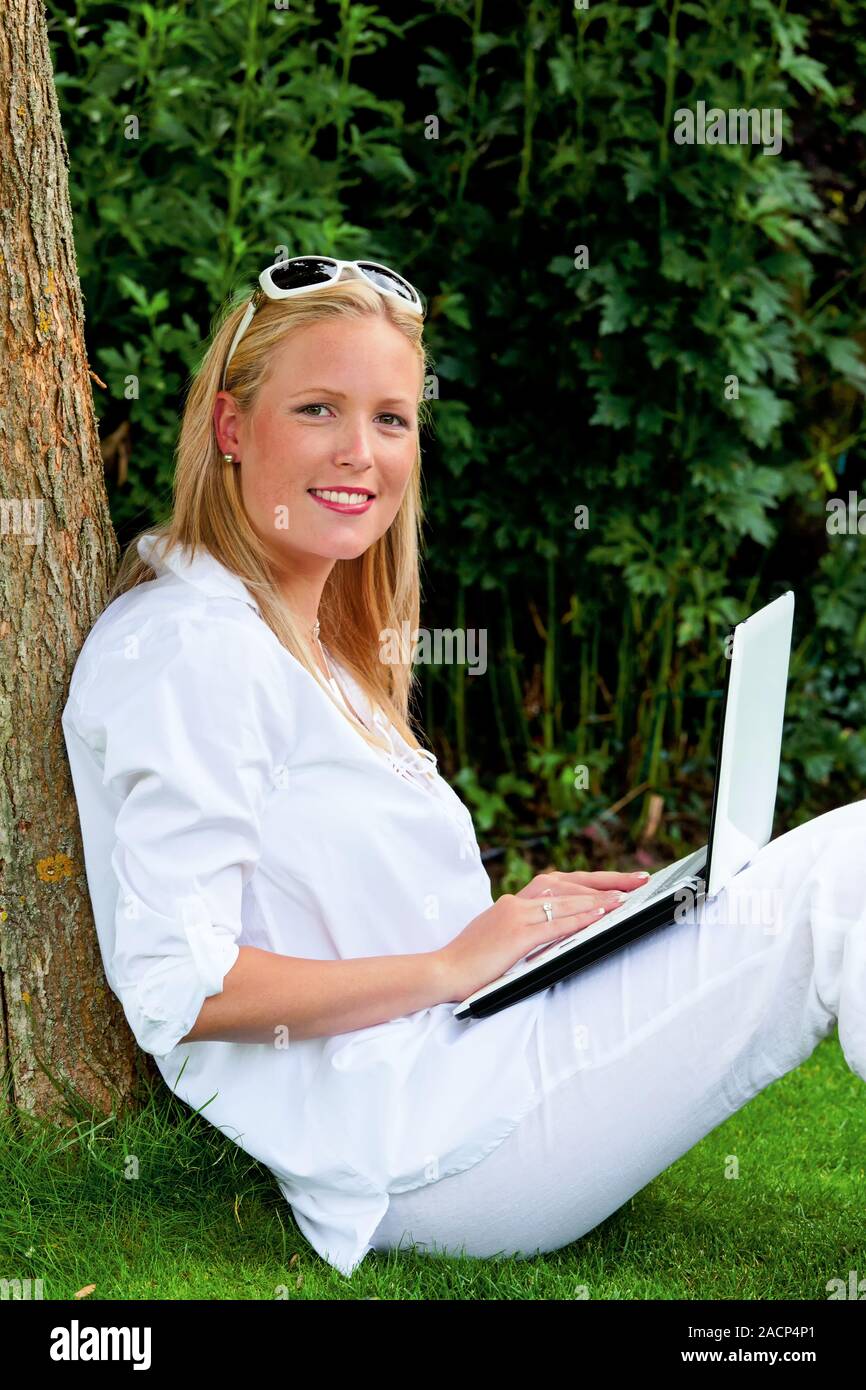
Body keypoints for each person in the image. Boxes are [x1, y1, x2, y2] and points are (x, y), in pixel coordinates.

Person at [62, 256, 866, 1279]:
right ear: (229, 428)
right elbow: (182, 989)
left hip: (463, 1057)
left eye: (391, 419)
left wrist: (517, 933)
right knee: (840, 882)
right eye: (318, 408)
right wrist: (453, 965)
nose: (361, 453)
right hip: (425, 1141)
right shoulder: (187, 648)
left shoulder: (304, 642)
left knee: (822, 862)